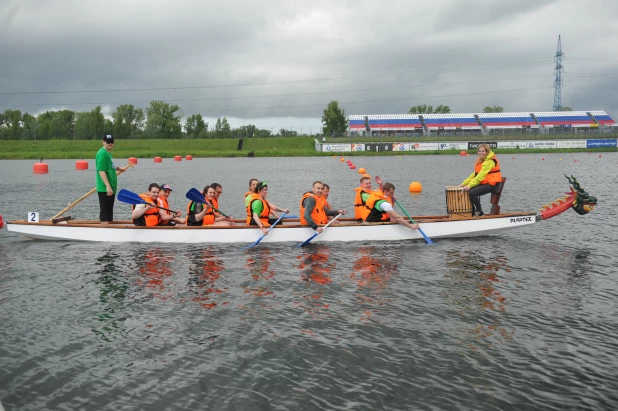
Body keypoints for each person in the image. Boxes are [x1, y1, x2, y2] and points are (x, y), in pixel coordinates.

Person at [460, 144, 502, 217]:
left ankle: (480, 212)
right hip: (486, 183)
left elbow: (480, 176)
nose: (481, 152)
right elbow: (474, 175)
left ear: (487, 152)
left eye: (483, 151)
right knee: (468, 191)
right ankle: (472, 212)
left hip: (493, 185)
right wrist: (464, 183)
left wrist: (470, 185)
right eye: (479, 151)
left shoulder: (489, 161)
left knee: (472, 192)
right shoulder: (482, 160)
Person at [96, 134, 125, 224]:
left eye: (111, 142)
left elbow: (108, 166)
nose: (110, 144)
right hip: (105, 189)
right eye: (108, 142)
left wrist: (117, 168)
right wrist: (108, 186)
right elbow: (101, 170)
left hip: (111, 188)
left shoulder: (107, 153)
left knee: (109, 213)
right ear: (103, 142)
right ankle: (104, 232)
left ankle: (109, 231)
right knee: (105, 214)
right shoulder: (102, 153)